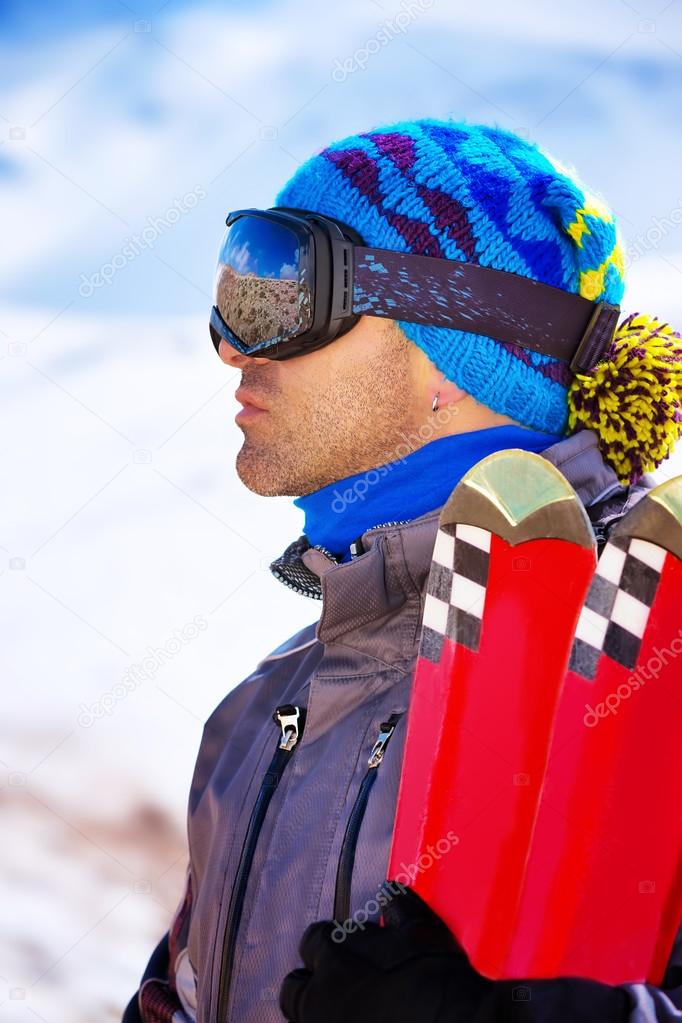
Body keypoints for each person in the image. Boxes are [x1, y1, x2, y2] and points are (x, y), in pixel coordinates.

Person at [121, 118, 682, 1023]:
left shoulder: (650, 663)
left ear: (455, 358)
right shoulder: (261, 713)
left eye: (284, 295)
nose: (234, 345)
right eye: (236, 287)